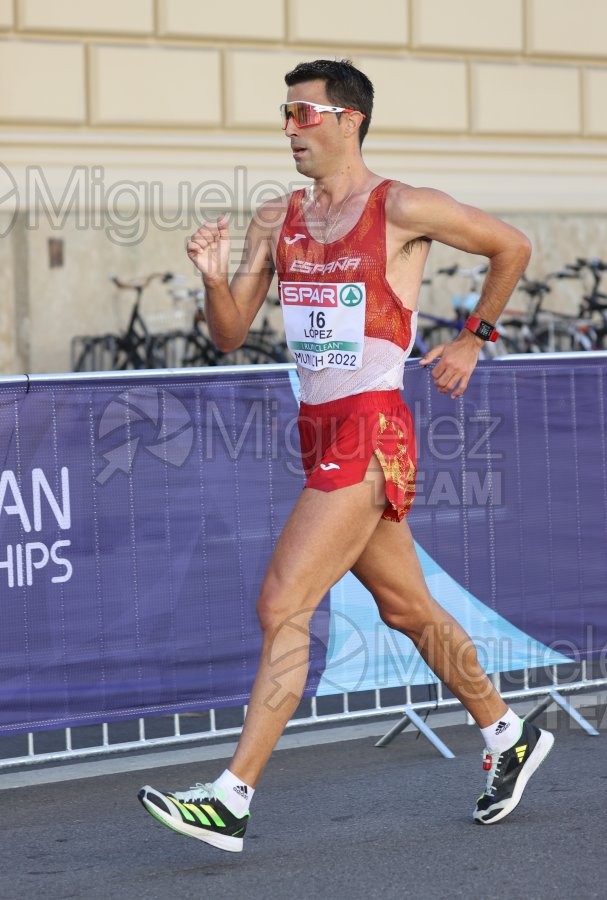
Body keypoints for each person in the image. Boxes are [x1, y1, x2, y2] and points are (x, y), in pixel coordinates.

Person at [138, 58, 553, 851]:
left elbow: (512, 246)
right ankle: (508, 736)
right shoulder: (277, 218)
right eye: (284, 113)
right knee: (407, 609)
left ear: (346, 119)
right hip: (318, 433)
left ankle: (231, 796)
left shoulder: (401, 206)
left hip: (371, 433)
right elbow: (227, 334)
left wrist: (472, 339)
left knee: (280, 604)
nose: (288, 127)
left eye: (301, 113)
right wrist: (212, 279)